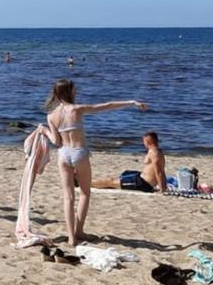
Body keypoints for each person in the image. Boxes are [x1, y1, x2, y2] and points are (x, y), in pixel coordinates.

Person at [44, 79, 148, 246]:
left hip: (63, 155)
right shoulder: (77, 109)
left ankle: (71, 237)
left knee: (68, 197)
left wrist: (44, 130)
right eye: (74, 89)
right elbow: (107, 105)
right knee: (85, 193)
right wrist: (131, 102)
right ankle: (79, 231)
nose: (76, 91)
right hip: (79, 153)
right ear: (69, 92)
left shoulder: (51, 116)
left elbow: (55, 141)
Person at [93, 132, 166, 193]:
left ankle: (85, 184)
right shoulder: (156, 151)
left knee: (110, 181)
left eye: (144, 141)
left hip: (143, 183)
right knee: (125, 174)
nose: (144, 143)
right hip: (141, 178)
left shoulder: (154, 153)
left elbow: (159, 171)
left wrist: (162, 188)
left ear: (147, 142)